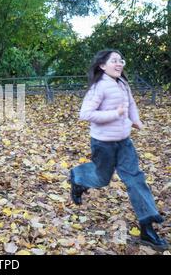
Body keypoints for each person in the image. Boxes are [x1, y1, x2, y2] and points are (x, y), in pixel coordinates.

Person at [69, 49, 168, 250]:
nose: (119, 63)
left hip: (124, 142)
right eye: (114, 61)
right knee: (101, 178)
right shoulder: (98, 87)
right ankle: (78, 177)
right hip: (103, 144)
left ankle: (147, 228)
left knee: (135, 179)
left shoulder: (122, 83)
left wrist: (136, 120)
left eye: (121, 60)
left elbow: (131, 104)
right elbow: (85, 113)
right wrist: (115, 113)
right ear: (102, 66)